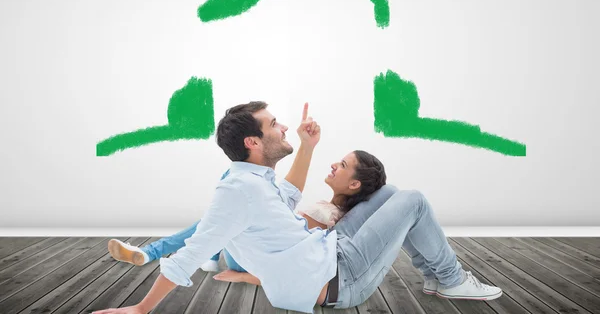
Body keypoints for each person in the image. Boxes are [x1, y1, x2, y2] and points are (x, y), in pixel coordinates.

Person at [94, 101, 502, 314]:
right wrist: (142, 308)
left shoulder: (254, 180)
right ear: (253, 142)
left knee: (390, 192)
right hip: (343, 277)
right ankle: (449, 279)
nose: (283, 126)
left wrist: (306, 148)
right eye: (273, 125)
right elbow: (189, 256)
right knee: (413, 199)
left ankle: (433, 276)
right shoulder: (237, 192)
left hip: (327, 253)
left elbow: (288, 197)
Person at [108, 148, 387, 276]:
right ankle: (207, 254)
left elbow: (292, 252)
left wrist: (244, 277)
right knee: (228, 208)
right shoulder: (330, 210)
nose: (334, 165)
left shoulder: (330, 217)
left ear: (354, 184)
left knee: (226, 215)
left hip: (253, 260)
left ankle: (155, 253)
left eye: (342, 164)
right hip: (252, 254)